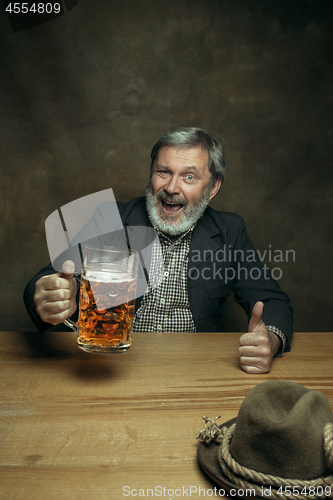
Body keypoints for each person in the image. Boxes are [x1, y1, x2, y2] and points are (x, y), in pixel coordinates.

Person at [24, 127, 293, 374]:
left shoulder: (229, 231)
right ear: (151, 173)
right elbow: (47, 280)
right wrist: (53, 296)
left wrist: (269, 338)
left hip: (194, 370)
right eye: (163, 172)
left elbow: (272, 300)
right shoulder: (113, 218)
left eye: (189, 176)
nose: (171, 188)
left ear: (213, 187)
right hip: (114, 367)